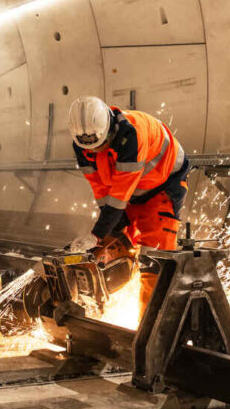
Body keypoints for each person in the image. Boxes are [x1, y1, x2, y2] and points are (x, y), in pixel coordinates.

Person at [67, 95, 190, 312]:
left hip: (164, 185)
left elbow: (119, 195)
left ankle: (149, 330)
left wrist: (96, 234)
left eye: (100, 145)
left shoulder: (131, 135)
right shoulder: (82, 144)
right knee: (115, 244)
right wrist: (107, 234)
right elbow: (101, 190)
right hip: (130, 190)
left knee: (154, 257)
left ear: (109, 129)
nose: (95, 152)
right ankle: (95, 305)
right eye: (91, 149)